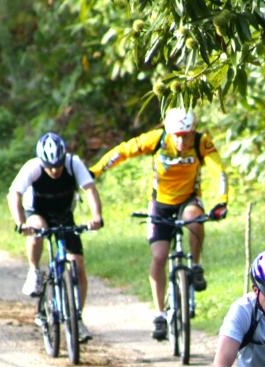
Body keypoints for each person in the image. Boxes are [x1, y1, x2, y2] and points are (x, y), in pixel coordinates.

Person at [90, 107, 228, 341]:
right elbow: (124, 151)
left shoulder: (201, 142)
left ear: (193, 131)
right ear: (168, 131)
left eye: (186, 135)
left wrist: (222, 201)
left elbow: (219, 171)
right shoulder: (157, 140)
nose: (182, 140)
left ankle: (195, 265)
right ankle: (160, 313)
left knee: (195, 218)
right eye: (177, 135)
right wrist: (96, 170)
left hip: (188, 199)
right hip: (160, 203)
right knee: (159, 256)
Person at [7, 132, 103, 342]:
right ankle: (34, 271)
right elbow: (14, 194)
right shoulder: (32, 167)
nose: (54, 170)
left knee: (78, 266)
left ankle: (77, 317)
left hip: (63, 215)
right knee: (37, 228)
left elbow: (90, 190)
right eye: (49, 166)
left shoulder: (73, 164)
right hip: (37, 212)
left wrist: (97, 217)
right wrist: (21, 222)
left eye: (58, 165)